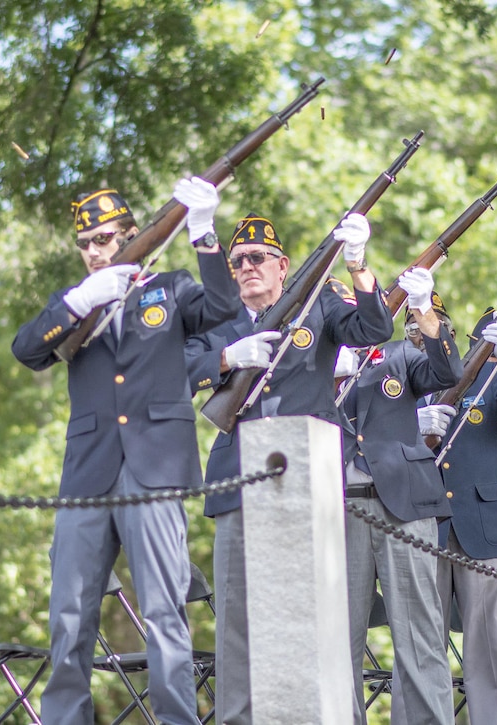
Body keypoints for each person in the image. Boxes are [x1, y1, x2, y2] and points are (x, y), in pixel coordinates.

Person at [12, 178, 238, 724]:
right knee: (69, 616)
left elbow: (224, 306)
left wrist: (205, 233)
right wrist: (77, 300)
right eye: (85, 242)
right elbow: (26, 349)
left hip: (154, 470)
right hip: (88, 473)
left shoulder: (171, 286)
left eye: (106, 238)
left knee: (163, 612)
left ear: (134, 235)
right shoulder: (75, 304)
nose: (94, 250)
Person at [185, 211, 393, 724]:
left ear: (283, 266)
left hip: (310, 477)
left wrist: (356, 263)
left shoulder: (318, 302)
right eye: (237, 261)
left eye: (258, 258)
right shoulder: (219, 317)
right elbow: (178, 369)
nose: (246, 267)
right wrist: (229, 357)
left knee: (318, 614)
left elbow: (375, 327)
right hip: (238, 477)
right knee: (238, 621)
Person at [337, 269, 461, 725]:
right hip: (339, 506)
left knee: (420, 635)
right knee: (340, 638)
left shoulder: (399, 354)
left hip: (403, 505)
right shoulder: (316, 361)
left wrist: (425, 310)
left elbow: (447, 371)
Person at [418, 307, 497, 725]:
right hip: (420, 523)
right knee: (419, 641)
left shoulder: (488, 381)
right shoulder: (399, 383)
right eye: (413, 329)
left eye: (433, 329)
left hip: (482, 521)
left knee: (492, 642)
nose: (422, 335)